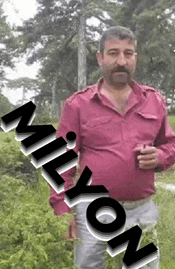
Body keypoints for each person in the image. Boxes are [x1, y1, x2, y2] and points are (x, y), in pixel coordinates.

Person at [49, 26, 175, 269]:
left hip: (142, 209)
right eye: (114, 53)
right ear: (100, 57)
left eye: (128, 54)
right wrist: (63, 209)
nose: (121, 61)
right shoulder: (79, 104)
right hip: (92, 209)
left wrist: (159, 156)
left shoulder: (154, 100)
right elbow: (59, 161)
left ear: (135, 58)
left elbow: (170, 144)